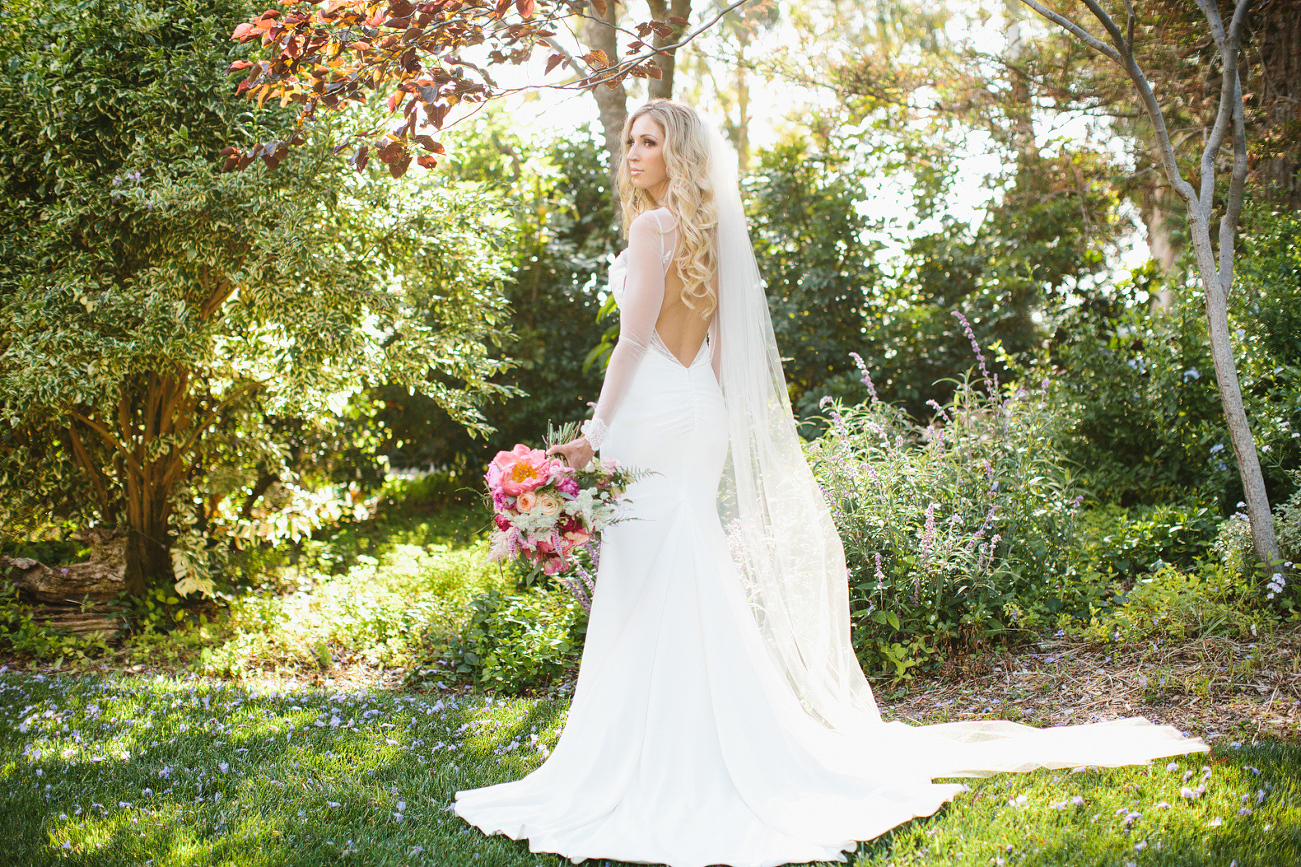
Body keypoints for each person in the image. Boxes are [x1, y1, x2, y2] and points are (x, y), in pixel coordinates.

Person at [454, 100, 1207, 867]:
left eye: (648, 142)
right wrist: (701, 417)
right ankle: (697, 736)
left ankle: (660, 751)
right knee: (679, 561)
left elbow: (635, 338)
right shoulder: (711, 235)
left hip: (652, 409)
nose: (633, 153)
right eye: (628, 142)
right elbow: (716, 353)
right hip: (695, 410)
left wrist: (594, 435)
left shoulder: (652, 230)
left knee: (651, 569)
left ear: (677, 153)